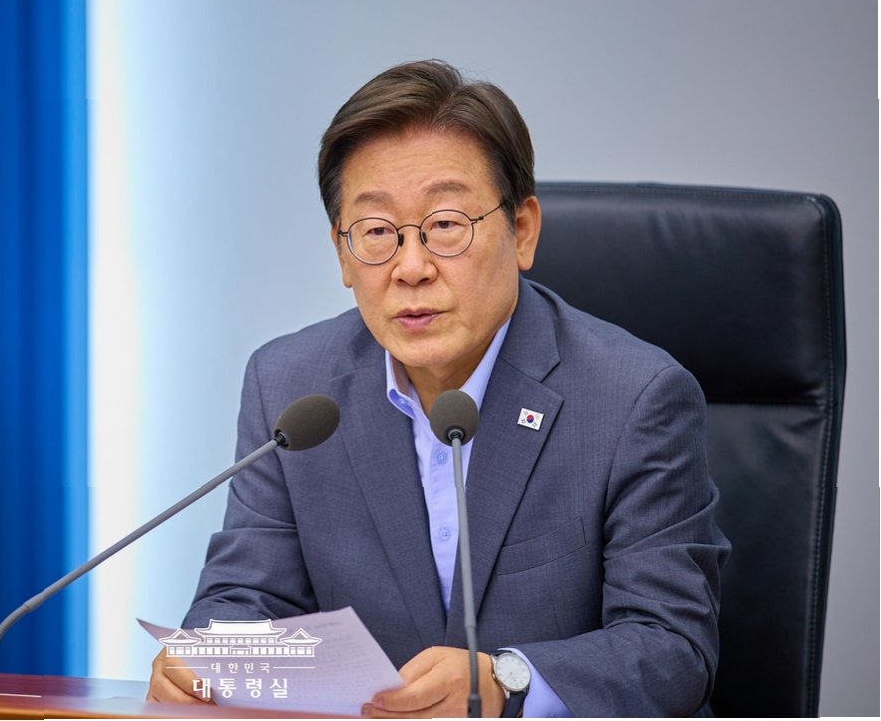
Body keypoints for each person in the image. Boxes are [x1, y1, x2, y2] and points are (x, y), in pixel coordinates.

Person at [146, 60, 729, 717]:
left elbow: (672, 649)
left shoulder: (633, 398)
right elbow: (248, 596)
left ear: (522, 231)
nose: (411, 267)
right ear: (342, 254)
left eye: (446, 224)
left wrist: (506, 682)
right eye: (376, 232)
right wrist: (213, 655)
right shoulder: (290, 388)